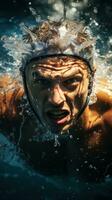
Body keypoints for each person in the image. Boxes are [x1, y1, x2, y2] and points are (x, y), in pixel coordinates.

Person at [0, 19, 112, 182]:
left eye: (71, 81)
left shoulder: (108, 118)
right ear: (22, 78)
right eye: (41, 81)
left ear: (92, 79)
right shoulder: (8, 107)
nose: (56, 100)